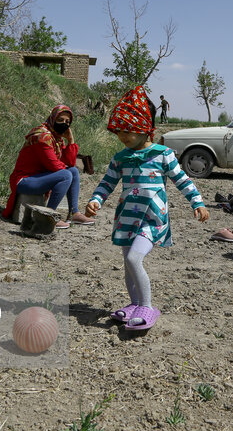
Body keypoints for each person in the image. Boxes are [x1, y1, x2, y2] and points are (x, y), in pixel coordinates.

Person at [85, 86, 209, 331]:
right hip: (126, 218)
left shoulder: (162, 155)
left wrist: (198, 202)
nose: (122, 135)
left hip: (152, 219)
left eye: (128, 130)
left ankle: (147, 306)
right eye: (118, 130)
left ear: (144, 128)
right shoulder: (121, 157)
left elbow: (182, 180)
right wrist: (96, 201)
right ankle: (134, 304)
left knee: (134, 258)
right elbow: (107, 183)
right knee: (128, 266)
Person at [2, 104, 94, 227]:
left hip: (40, 177)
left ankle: (74, 213)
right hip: (24, 180)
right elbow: (54, 166)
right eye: (60, 120)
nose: (64, 124)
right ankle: (48, 216)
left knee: (73, 171)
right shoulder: (42, 136)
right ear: (52, 119)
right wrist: (64, 166)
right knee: (66, 174)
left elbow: (70, 163)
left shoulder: (57, 138)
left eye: (67, 122)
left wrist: (71, 141)